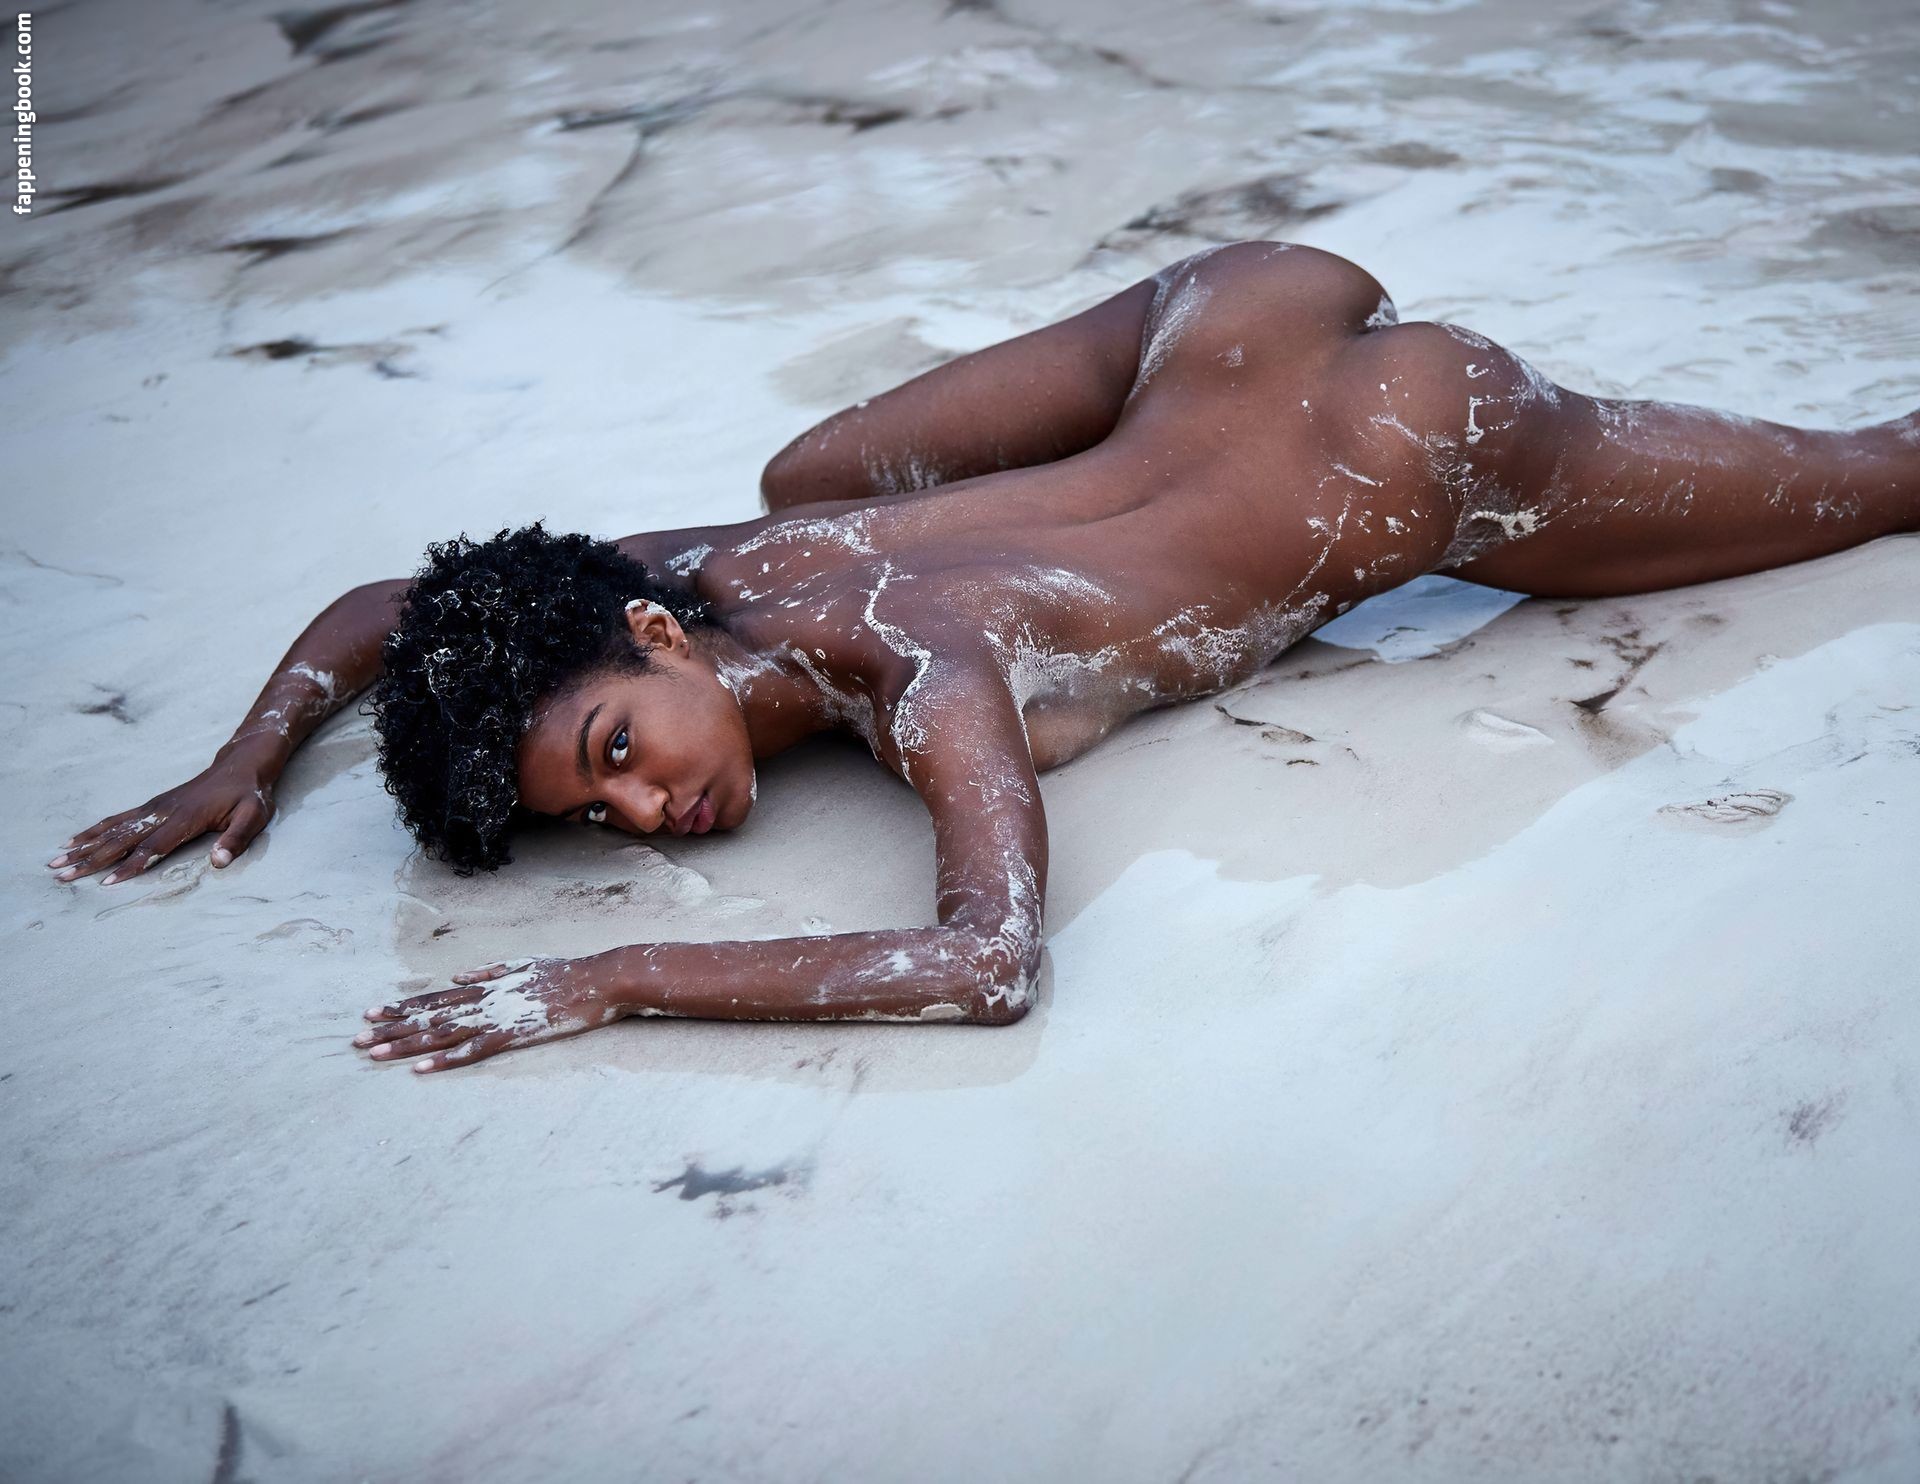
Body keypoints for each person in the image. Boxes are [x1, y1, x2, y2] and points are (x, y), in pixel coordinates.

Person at [47, 242, 1919, 1072]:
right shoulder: (679, 577)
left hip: (1415, 441)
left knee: (1885, 477)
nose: (649, 810)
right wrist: (247, 757)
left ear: (650, 639)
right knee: (808, 477)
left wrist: (612, 977)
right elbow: (396, 607)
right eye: (596, 820)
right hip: (1221, 309)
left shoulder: (912, 662)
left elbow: (988, 962)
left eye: (618, 748)